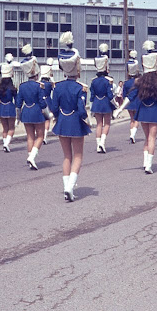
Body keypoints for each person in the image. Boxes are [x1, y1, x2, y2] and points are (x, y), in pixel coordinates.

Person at [114, 40, 157, 174]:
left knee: (146, 137)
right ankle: (149, 165)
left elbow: (130, 97)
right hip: (154, 112)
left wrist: (119, 109)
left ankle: (145, 163)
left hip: (143, 112)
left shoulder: (139, 82)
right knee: (152, 138)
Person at [51, 32, 91, 202]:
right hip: (76, 122)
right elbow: (82, 110)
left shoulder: (58, 87)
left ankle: (66, 187)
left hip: (62, 122)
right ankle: (69, 188)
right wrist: (87, 121)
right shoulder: (80, 88)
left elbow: (53, 108)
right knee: (78, 156)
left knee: (66, 156)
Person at [17, 44, 48, 170]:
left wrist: (18, 116)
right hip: (36, 112)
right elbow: (42, 102)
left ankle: (31, 158)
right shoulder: (39, 85)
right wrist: (47, 114)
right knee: (40, 136)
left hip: (26, 111)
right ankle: (32, 157)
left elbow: (18, 103)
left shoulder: (22, 86)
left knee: (30, 137)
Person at [90, 43, 116, 153]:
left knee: (99, 125)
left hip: (96, 103)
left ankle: (97, 145)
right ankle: (102, 143)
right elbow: (110, 96)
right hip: (105, 103)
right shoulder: (108, 81)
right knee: (107, 124)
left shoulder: (93, 81)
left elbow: (91, 96)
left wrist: (91, 108)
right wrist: (116, 105)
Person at [0, 54, 18, 152]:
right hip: (10, 107)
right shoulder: (12, 88)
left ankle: (5, 144)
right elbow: (17, 101)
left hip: (1, 108)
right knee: (11, 128)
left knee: (5, 128)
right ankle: (6, 144)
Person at [122, 50, 141, 144]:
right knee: (137, 119)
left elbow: (124, 94)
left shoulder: (126, 82)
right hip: (137, 101)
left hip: (129, 102)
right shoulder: (139, 81)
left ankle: (131, 134)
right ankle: (133, 135)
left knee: (132, 119)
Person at [39, 58, 54, 145]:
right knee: (47, 120)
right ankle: (44, 137)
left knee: (41, 120)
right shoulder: (49, 84)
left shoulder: (39, 83)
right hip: (48, 101)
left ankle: (41, 136)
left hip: (41, 101)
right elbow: (54, 87)